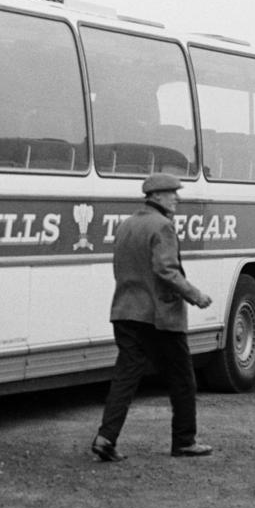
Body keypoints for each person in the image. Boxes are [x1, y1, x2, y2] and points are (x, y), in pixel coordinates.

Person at [92, 172, 214, 462]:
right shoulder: (163, 227)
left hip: (124, 311)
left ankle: (105, 438)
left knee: (125, 378)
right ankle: (184, 441)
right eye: (172, 193)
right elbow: (165, 270)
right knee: (183, 379)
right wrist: (195, 295)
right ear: (156, 196)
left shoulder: (126, 225)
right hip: (158, 317)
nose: (177, 198)